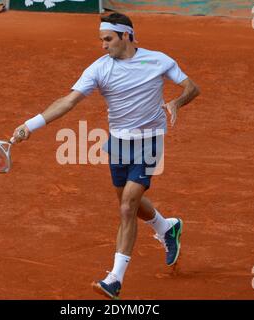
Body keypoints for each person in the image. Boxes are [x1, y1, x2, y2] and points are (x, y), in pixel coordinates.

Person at [12, 12, 200, 299]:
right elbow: (69, 101)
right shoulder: (99, 69)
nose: (103, 45)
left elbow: (191, 87)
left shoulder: (159, 60)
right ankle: (167, 227)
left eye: (108, 39)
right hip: (117, 143)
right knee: (130, 203)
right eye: (101, 40)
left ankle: (114, 280)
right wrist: (30, 125)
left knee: (127, 207)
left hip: (149, 142)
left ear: (126, 36)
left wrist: (177, 101)